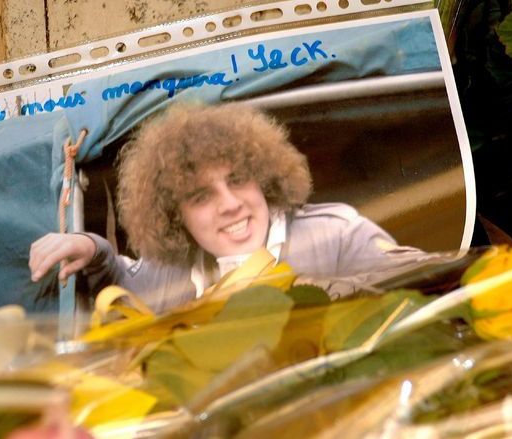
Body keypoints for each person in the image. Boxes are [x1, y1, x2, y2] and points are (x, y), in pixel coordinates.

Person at [29, 102, 422, 314]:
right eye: (201, 197)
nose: (231, 205)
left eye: (237, 180)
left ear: (263, 178)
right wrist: (89, 245)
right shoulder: (172, 274)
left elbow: (431, 286)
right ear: (173, 215)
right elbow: (114, 277)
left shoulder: (337, 235)